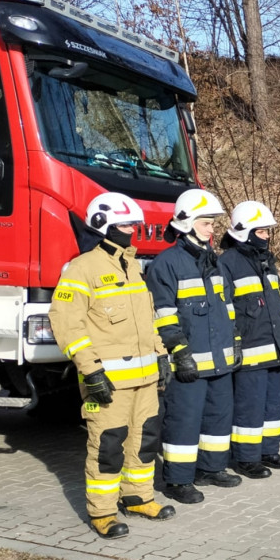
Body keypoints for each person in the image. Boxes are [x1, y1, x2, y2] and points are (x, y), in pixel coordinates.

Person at [48, 192, 174, 538]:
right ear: (102, 225)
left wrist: (161, 354)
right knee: (108, 446)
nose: (131, 231)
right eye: (124, 225)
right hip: (107, 382)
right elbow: (66, 322)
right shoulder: (82, 268)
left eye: (132, 224)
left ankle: (137, 497)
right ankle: (102, 513)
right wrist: (90, 370)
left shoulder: (132, 265)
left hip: (145, 380)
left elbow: (147, 319)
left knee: (144, 440)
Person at [146, 189, 242, 504]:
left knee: (218, 414)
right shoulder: (167, 264)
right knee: (184, 420)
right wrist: (178, 352)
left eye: (213, 223)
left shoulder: (213, 261)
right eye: (205, 223)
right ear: (186, 224)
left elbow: (227, 306)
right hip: (188, 361)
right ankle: (178, 480)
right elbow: (163, 316)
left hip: (219, 358)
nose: (211, 228)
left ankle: (212, 468)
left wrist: (235, 341)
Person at [219, 201, 280, 478]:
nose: (267, 237)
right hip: (250, 349)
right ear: (244, 231)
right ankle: (247, 458)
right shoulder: (227, 263)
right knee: (249, 408)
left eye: (267, 232)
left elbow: (276, 305)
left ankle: (268, 450)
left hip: (274, 347)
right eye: (262, 232)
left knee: (272, 405)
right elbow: (225, 307)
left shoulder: (267, 262)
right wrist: (234, 341)